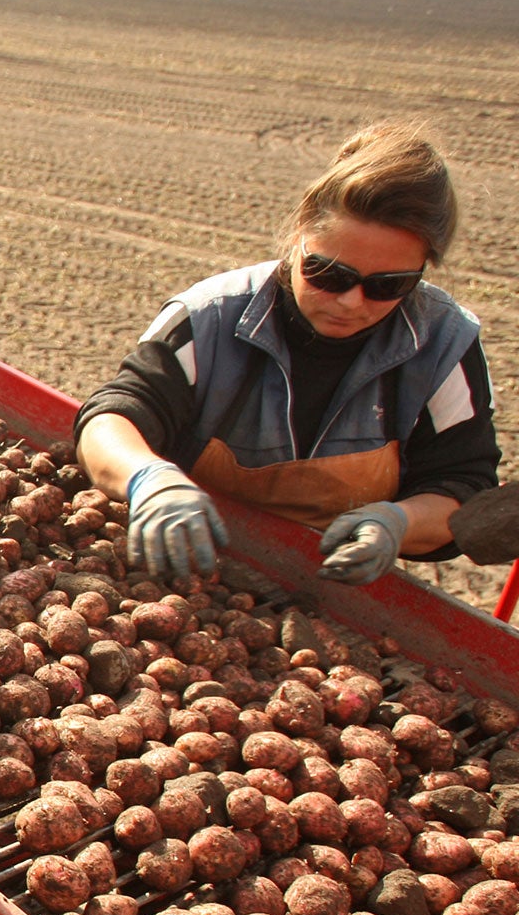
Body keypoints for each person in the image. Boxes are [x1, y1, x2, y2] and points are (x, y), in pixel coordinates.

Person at [75, 122, 498, 586]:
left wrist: (397, 524)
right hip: (183, 565)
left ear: (422, 271)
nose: (350, 301)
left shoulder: (444, 345)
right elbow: (114, 416)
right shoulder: (210, 317)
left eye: (387, 286)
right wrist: (148, 478)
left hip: (333, 588)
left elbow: (463, 485)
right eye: (328, 273)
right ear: (298, 237)